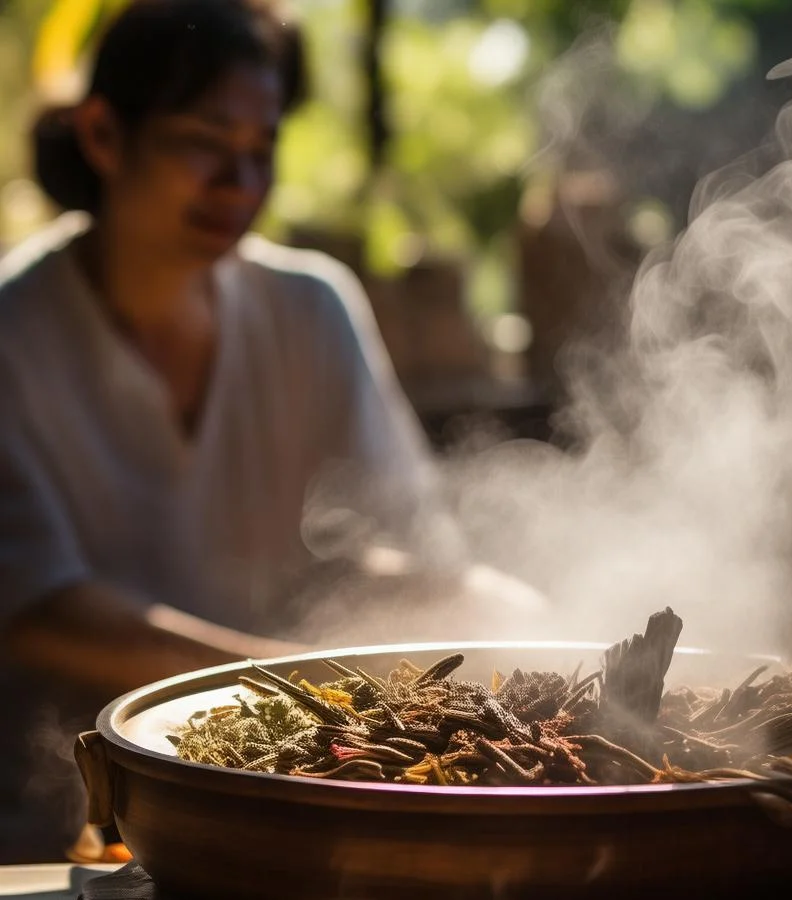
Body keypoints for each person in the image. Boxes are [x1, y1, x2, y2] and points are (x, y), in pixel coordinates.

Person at [0, 0, 541, 863]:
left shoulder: (308, 309)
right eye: (204, 143)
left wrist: (515, 619)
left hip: (277, 799)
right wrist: (302, 684)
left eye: (261, 151)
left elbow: (410, 545)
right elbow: (35, 607)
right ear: (103, 135)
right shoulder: (13, 332)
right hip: (48, 825)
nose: (240, 183)